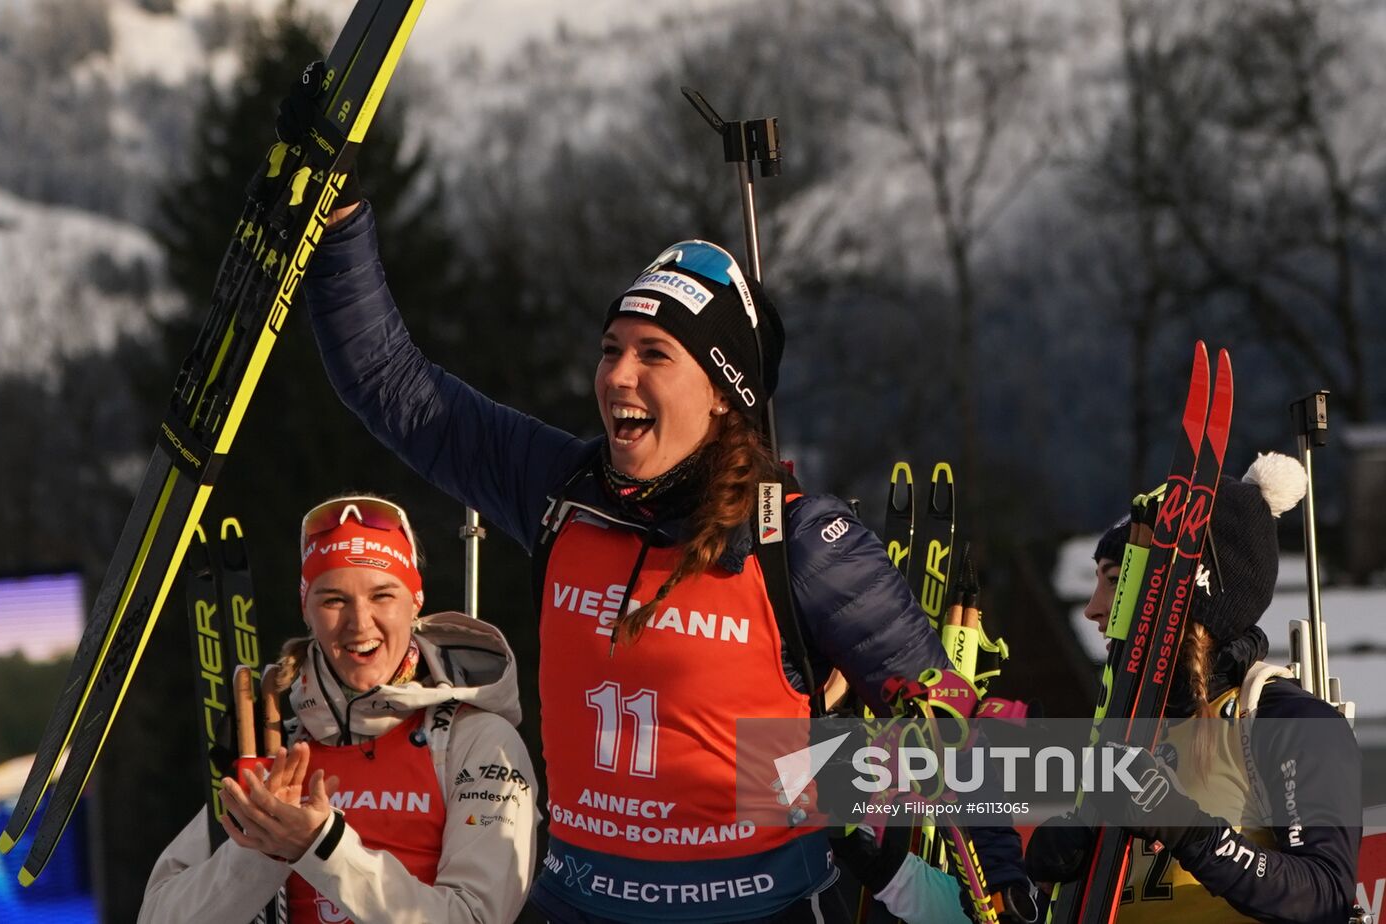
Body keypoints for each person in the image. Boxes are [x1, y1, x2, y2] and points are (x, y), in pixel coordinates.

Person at [292, 169, 1030, 917]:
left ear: (721, 391)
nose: (618, 375)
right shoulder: (563, 493)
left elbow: (950, 723)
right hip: (580, 900)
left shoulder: (797, 541)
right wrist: (341, 219)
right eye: (611, 349)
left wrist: (1001, 885)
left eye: (654, 354)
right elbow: (388, 382)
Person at [140, 494, 538, 924]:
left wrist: (321, 846)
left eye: (382, 595)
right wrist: (263, 851)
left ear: (416, 599)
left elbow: (475, 917)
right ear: (305, 609)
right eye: (333, 601)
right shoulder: (284, 748)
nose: (360, 623)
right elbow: (159, 916)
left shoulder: (476, 740)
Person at [1026, 452, 1362, 922]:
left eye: (1116, 581)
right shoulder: (1130, 729)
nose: (1094, 609)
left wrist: (1190, 830)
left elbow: (1324, 893)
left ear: (1186, 593)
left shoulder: (1286, 720)